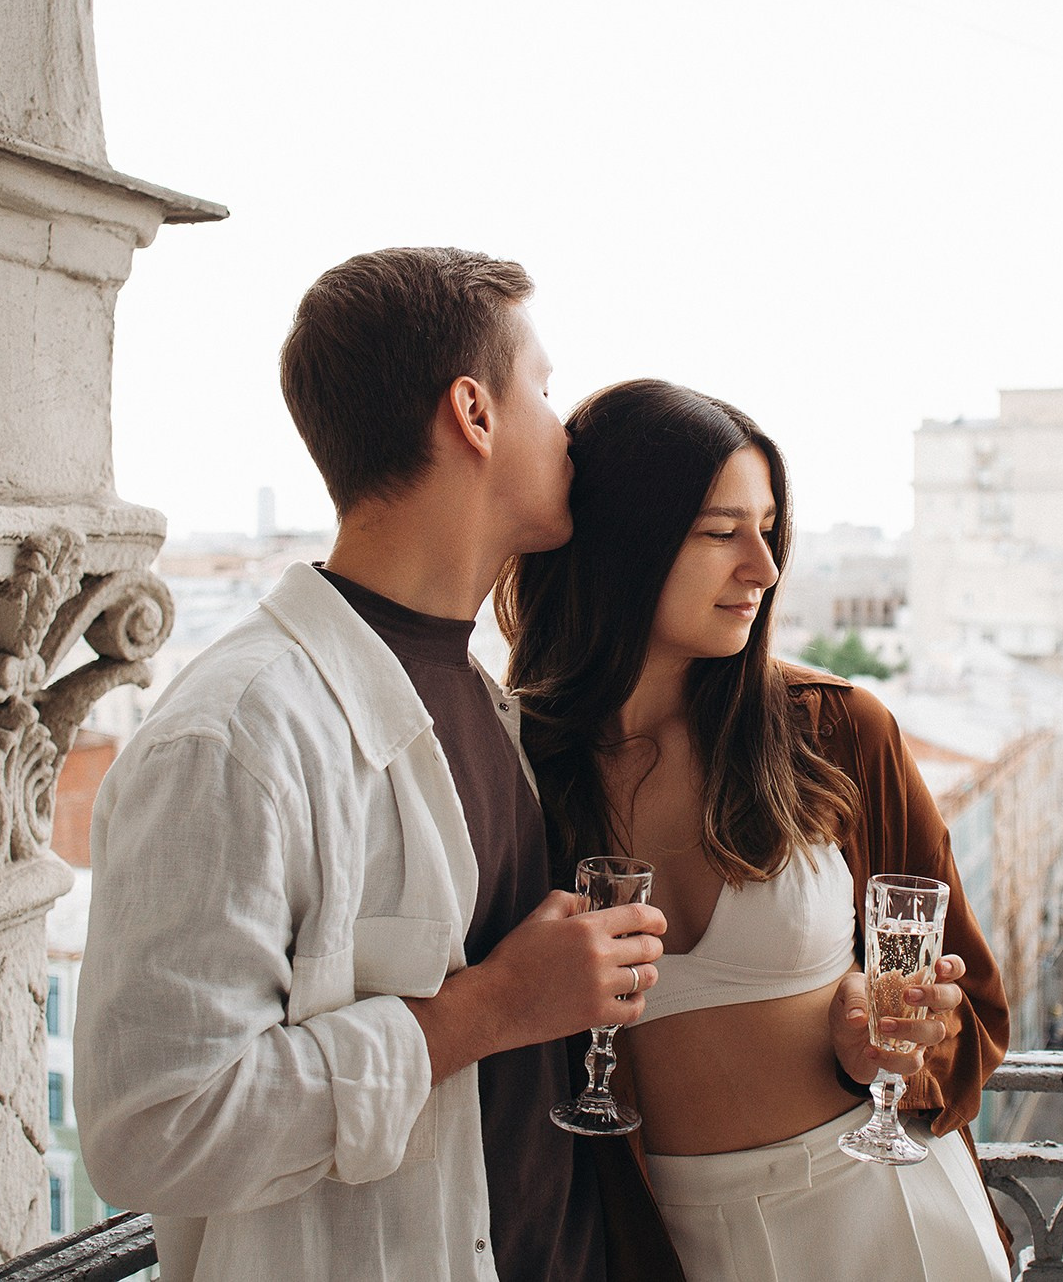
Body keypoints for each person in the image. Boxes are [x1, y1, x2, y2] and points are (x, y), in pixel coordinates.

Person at [73, 248, 667, 1282]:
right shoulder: (236, 735)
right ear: (473, 414)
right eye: (543, 387)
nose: (563, 425)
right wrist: (490, 1009)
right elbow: (153, 1131)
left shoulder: (482, 701)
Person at [497, 379, 1013, 1282]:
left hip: (889, 1214)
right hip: (671, 1244)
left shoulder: (837, 731)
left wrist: (898, 1048)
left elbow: (979, 1019)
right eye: (719, 530)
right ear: (622, 540)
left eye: (768, 528)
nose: (764, 568)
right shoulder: (512, 768)